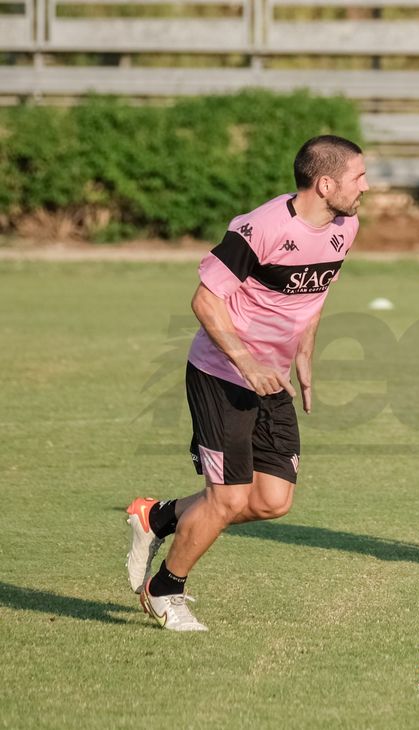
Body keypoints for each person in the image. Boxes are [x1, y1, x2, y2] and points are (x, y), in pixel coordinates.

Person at [124, 135, 368, 630]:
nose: (366, 186)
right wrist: (246, 361)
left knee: (272, 500)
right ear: (325, 183)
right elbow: (205, 301)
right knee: (228, 498)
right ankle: (165, 589)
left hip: (271, 379)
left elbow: (314, 293)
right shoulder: (260, 228)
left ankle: (158, 518)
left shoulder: (346, 226)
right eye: (358, 177)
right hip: (221, 374)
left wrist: (304, 353)